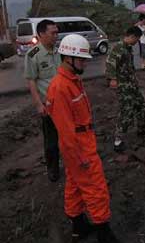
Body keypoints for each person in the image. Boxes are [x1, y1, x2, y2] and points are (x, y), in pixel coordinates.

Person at [46, 34, 120, 243]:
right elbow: (66, 131)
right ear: (68, 58)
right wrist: (80, 157)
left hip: (82, 139)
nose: (86, 64)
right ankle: (104, 233)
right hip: (78, 145)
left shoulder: (72, 80)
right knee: (95, 188)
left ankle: (78, 226)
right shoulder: (60, 87)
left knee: (75, 185)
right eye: (82, 60)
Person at [24, 19, 61, 182]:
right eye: (52, 33)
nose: (56, 35)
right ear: (41, 34)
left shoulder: (59, 50)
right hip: (49, 105)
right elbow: (31, 81)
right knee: (51, 140)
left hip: (64, 102)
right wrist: (39, 104)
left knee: (69, 136)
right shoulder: (33, 55)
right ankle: (53, 169)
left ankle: (72, 164)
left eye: (57, 32)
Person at [105, 26, 145, 152]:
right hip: (123, 86)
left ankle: (141, 129)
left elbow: (129, 67)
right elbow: (110, 64)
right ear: (132, 36)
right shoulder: (118, 47)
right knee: (126, 111)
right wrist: (113, 79)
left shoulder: (128, 48)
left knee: (141, 106)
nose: (137, 42)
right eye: (137, 38)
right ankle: (118, 140)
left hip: (132, 84)